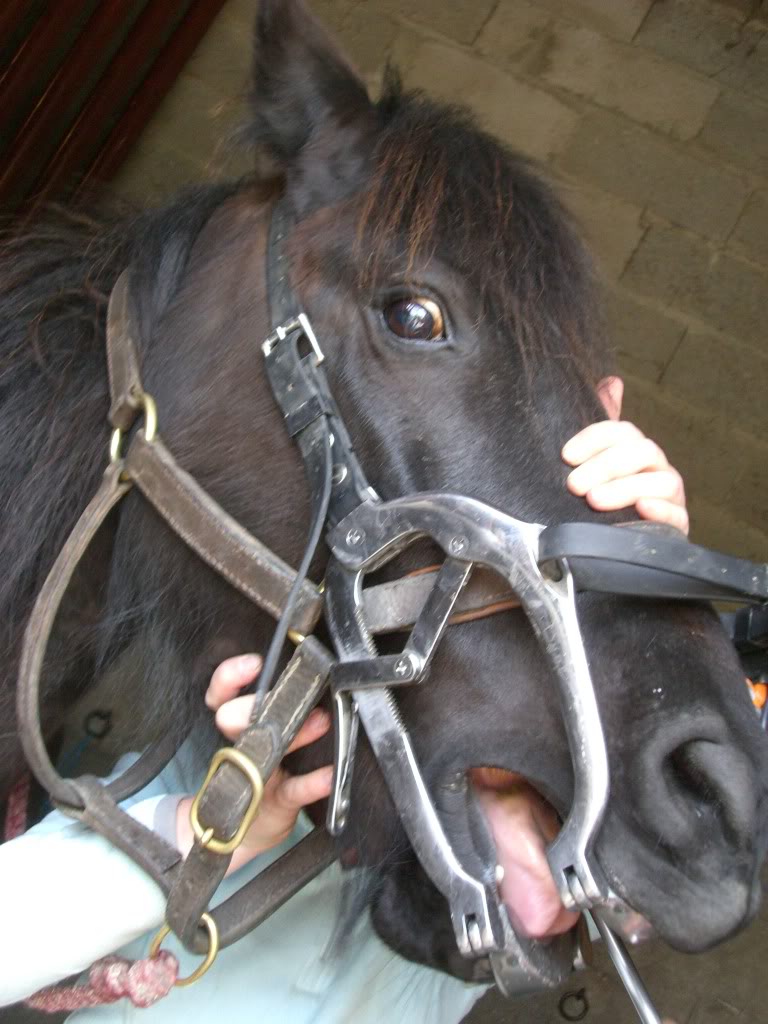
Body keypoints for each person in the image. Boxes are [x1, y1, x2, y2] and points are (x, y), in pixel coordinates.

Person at [0, 396, 687, 1022]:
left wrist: (638, 602)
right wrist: (206, 830)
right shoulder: (252, 732)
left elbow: (683, 859)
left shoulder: (503, 903)